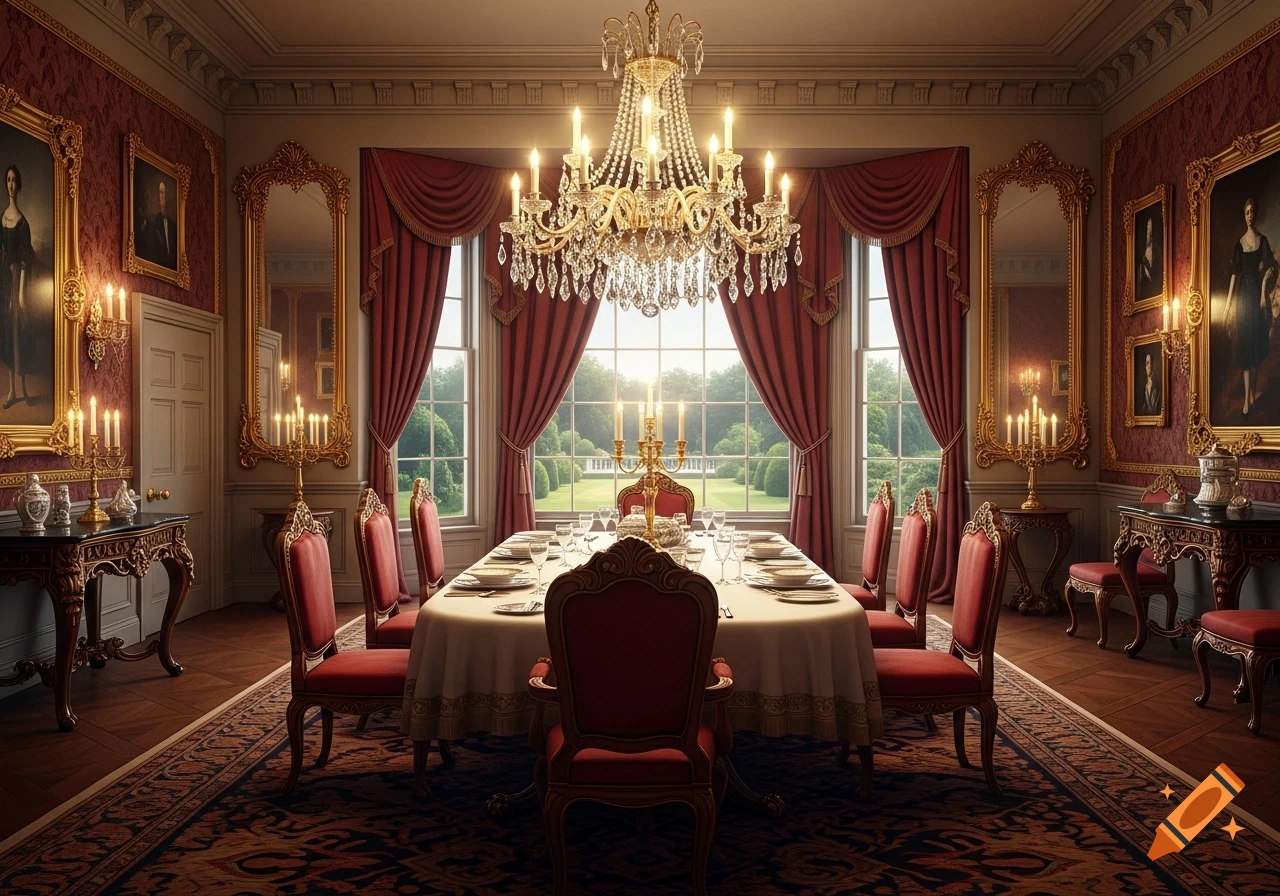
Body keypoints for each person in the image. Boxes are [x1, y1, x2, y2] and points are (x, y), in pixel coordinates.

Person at [1225, 197, 1278, 416]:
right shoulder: (1240, 243)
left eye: (1252, 212)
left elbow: (1272, 268)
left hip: (1258, 299)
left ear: (1256, 214)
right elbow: (1234, 275)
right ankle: (1246, 400)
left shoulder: (1262, 240)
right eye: (1246, 212)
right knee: (1246, 349)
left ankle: (1252, 398)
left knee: (1255, 349)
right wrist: (1228, 305)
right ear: (1243, 214)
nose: (1249, 216)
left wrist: (1264, 288)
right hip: (1243, 300)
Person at [1, 164, 34, 410]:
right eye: (8, 179)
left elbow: (25, 259)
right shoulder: (2, 217)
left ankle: (22, 388)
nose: (11, 184)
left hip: (18, 283)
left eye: (15, 180)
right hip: (4, 281)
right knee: (6, 334)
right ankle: (11, 390)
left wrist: (21, 293)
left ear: (19, 186)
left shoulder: (23, 224)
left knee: (19, 334)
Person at [143, 179, 177, 269]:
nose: (163, 197)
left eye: (165, 193)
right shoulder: (153, 224)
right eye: (161, 193)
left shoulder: (174, 226)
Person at [1137, 214, 1161, 300]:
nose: (1149, 235)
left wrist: (1146, 265)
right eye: (1148, 232)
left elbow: (1156, 277)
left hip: (1153, 290)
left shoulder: (1157, 250)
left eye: (1150, 233)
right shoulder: (1146, 250)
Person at [1140, 351, 1161, 416]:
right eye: (1147, 363)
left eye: (1151, 363)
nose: (1149, 366)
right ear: (1145, 366)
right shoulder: (1145, 387)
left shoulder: (1157, 386)